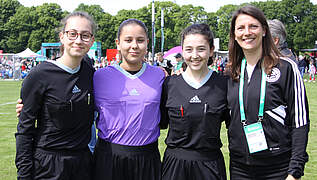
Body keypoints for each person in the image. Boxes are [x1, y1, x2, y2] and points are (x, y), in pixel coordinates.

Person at [226, 5, 309, 180]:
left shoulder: (286, 68)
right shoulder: (230, 73)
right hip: (240, 167)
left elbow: (300, 122)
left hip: (277, 168)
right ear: (234, 34)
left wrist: (294, 171)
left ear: (264, 31)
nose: (246, 32)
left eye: (253, 26)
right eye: (240, 28)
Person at [15, 11, 96, 180]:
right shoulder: (39, 74)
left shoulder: (90, 71)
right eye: (72, 34)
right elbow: (24, 130)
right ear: (62, 37)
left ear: (92, 40)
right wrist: (24, 174)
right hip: (48, 165)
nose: (78, 40)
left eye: (85, 35)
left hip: (83, 164)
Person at [93, 19, 165, 180]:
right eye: (128, 40)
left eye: (140, 40)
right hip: (109, 157)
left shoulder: (159, 75)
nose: (134, 45)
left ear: (147, 43)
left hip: (147, 158)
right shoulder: (99, 77)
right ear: (118, 43)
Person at [160, 23, 229, 180]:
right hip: (175, 167)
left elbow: (234, 129)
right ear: (182, 51)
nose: (195, 55)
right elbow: (161, 122)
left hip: (210, 166)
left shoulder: (224, 85)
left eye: (201, 49)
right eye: (189, 49)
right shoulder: (169, 85)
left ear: (211, 50)